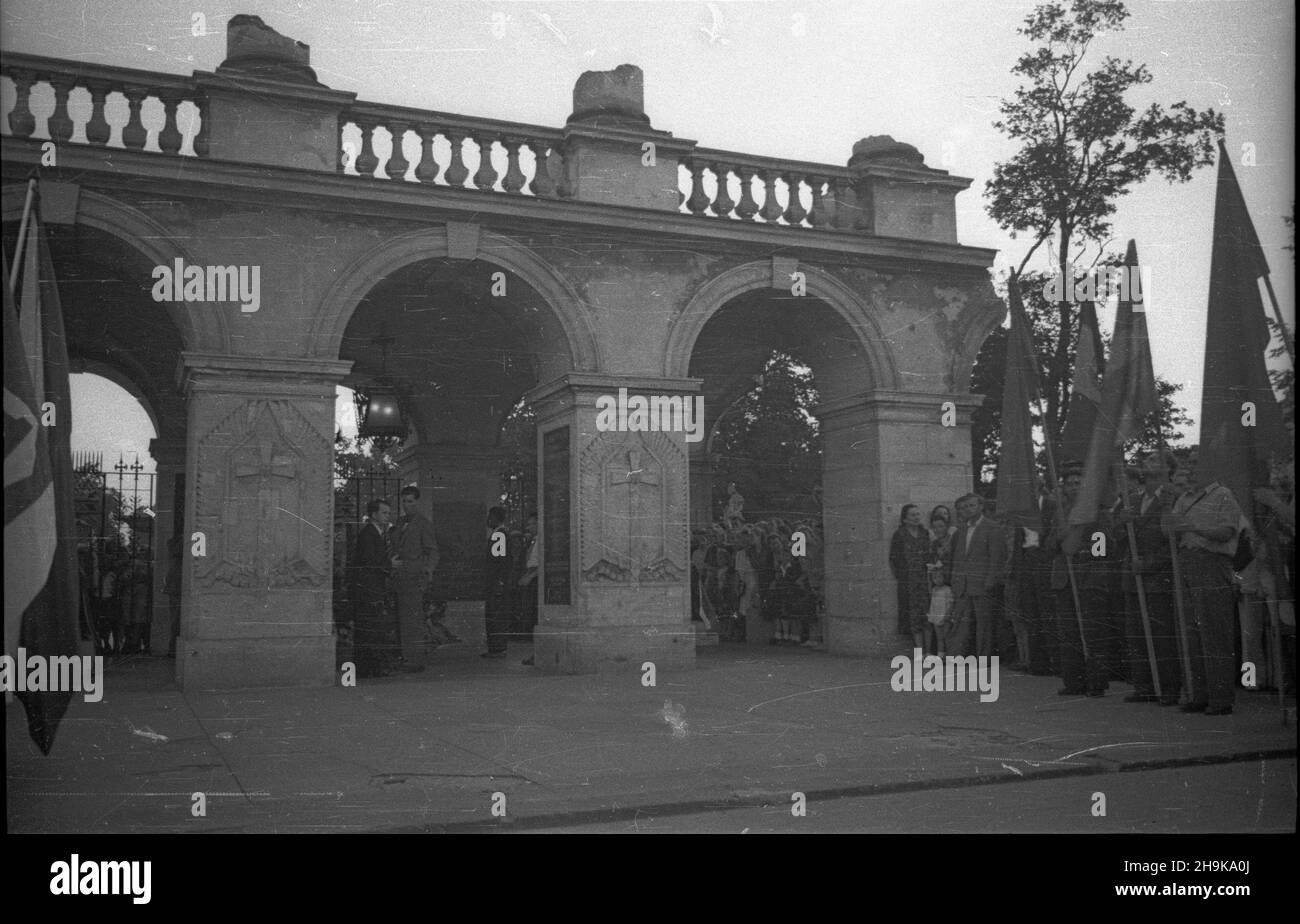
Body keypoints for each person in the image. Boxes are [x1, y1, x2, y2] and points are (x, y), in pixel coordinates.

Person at [1165, 462, 1245, 715]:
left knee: (1214, 632)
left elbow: (1226, 532)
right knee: (1191, 633)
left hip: (1212, 561)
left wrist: (1193, 528)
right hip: (1186, 561)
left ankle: (1220, 699)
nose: (1190, 472)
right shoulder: (1183, 498)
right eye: (1188, 466)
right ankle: (1197, 694)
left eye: (1196, 465)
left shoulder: (1223, 495)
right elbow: (1168, 530)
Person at [1114, 452, 1181, 705]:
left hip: (1157, 577)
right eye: (1149, 460)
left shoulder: (1171, 497)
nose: (1149, 462)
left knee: (1162, 636)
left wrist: (1150, 565)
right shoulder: (1132, 499)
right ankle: (1144, 685)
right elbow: (1116, 536)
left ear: (1169, 469)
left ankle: (1169, 688)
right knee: (1136, 634)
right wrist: (1122, 522)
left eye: (1157, 459)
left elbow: (1173, 542)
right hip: (1133, 575)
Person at [1049, 463, 1116, 697]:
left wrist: (1077, 549)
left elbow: (1103, 545)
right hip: (1065, 580)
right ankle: (1073, 681)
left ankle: (1096, 682)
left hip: (1088, 578)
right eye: (1069, 484)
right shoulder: (1060, 512)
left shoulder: (1096, 512)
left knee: (1092, 632)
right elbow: (1049, 546)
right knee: (1068, 633)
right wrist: (1059, 539)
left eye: (1078, 483)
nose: (1074, 487)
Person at [946, 493, 1007, 658]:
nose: (968, 509)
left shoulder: (993, 528)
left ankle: (983, 657)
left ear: (981, 506)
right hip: (962, 583)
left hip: (982, 583)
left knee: (984, 624)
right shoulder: (960, 530)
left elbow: (996, 557)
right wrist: (954, 579)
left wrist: (991, 580)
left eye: (972, 505)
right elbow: (956, 557)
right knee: (960, 621)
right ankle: (956, 655)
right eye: (964, 506)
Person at [390, 484, 439, 673]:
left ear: (417, 503)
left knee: (413, 619)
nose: (406, 505)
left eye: (410, 501)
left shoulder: (424, 524)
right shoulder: (400, 523)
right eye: (403, 501)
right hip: (399, 576)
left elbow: (433, 551)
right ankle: (405, 656)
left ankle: (415, 660)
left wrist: (427, 571)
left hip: (414, 576)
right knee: (402, 619)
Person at [350, 498, 395, 677]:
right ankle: (368, 668)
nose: (387, 516)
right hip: (368, 589)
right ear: (374, 514)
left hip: (372, 588)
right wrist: (389, 564)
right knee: (369, 628)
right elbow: (369, 561)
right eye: (384, 513)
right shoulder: (368, 534)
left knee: (371, 628)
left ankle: (369, 667)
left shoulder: (376, 533)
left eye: (388, 513)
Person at [890, 504, 932, 652]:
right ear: (905, 518)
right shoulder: (900, 534)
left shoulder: (924, 533)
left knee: (927, 615)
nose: (916, 518)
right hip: (908, 581)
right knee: (913, 616)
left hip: (925, 579)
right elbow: (894, 558)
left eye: (918, 514)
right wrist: (902, 576)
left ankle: (929, 651)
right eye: (913, 515)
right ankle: (919, 650)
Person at [482, 506, 512, 659]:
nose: (488, 520)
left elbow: (500, 562)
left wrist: (498, 581)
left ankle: (497, 648)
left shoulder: (499, 535)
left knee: (496, 615)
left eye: (490, 517)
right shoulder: (498, 534)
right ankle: (496, 647)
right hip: (496, 583)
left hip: (496, 584)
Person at [515, 512, 540, 665]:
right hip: (530, 575)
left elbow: (541, 562)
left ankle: (537, 653)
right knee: (530, 615)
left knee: (535, 615)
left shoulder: (542, 541)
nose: (529, 527)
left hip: (536, 577)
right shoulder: (533, 541)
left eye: (532, 524)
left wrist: (531, 576)